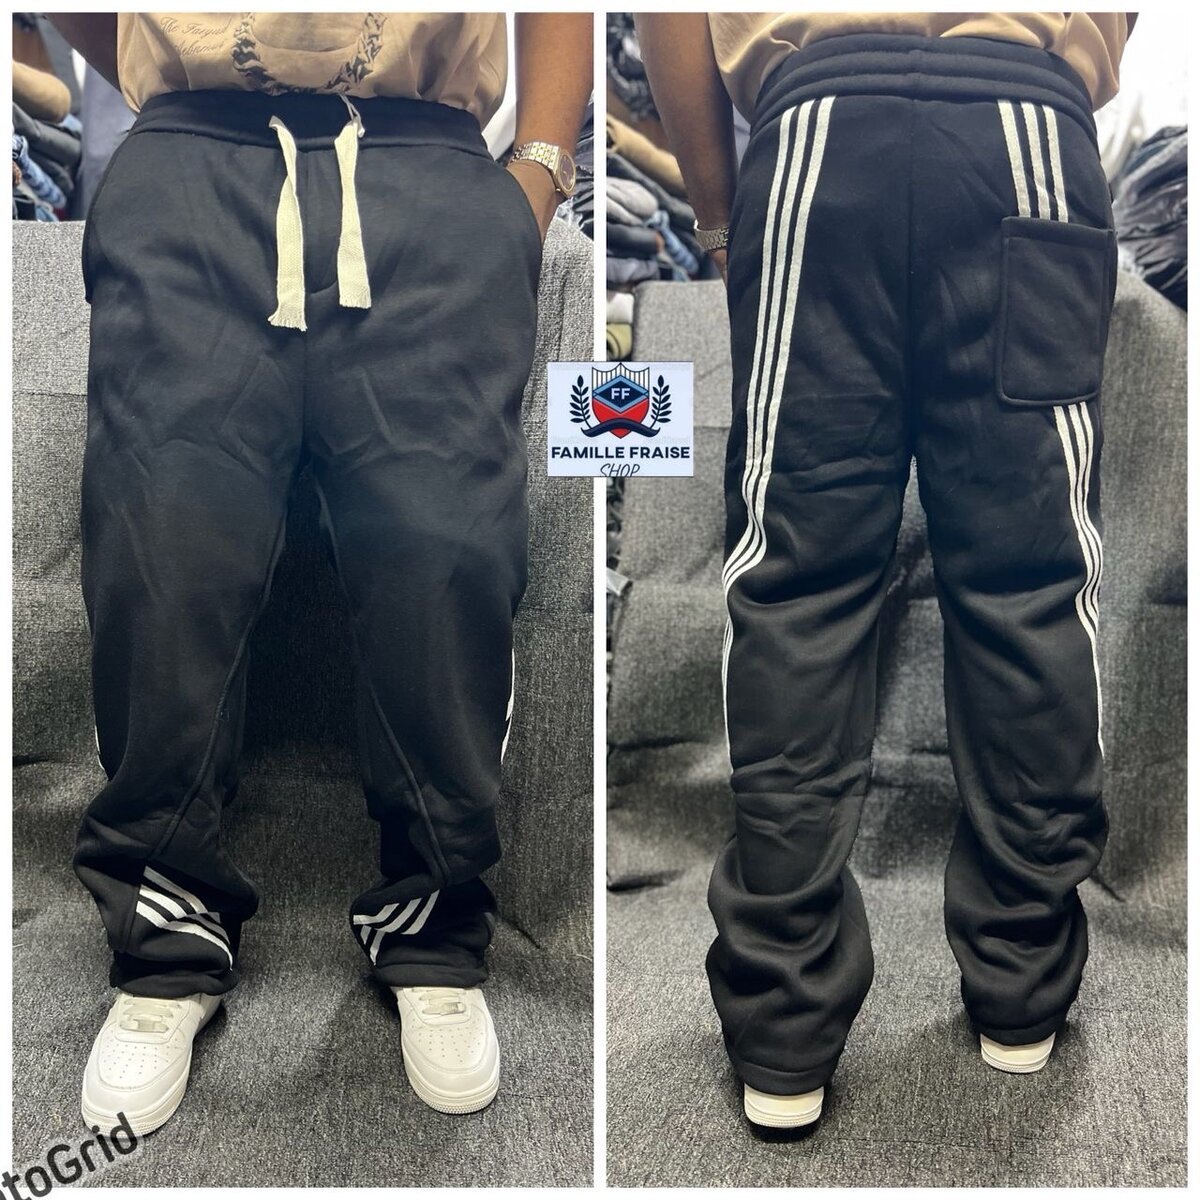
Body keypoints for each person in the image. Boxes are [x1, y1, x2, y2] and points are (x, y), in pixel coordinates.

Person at [50, 10, 591, 1133]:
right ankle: (165, 941)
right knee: (164, 556)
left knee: (445, 558)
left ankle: (433, 924)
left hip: (427, 169)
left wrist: (537, 168)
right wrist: (183, 60)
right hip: (193, 160)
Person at [637, 12, 1131, 1128]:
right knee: (1033, 584)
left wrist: (720, 218)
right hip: (1023, 127)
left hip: (820, 135)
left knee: (796, 587)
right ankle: (1022, 990)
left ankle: (784, 1035)